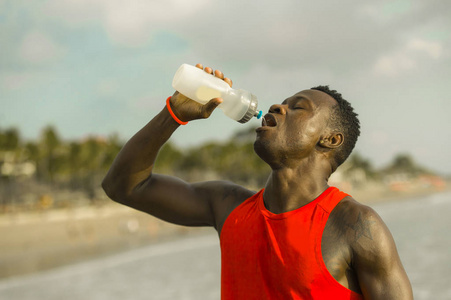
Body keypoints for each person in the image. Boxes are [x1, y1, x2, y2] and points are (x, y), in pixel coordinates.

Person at [102, 64, 413, 299]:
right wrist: (174, 113)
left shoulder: (355, 225)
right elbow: (124, 186)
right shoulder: (226, 205)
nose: (279, 107)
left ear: (330, 139)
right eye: (283, 102)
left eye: (299, 107)